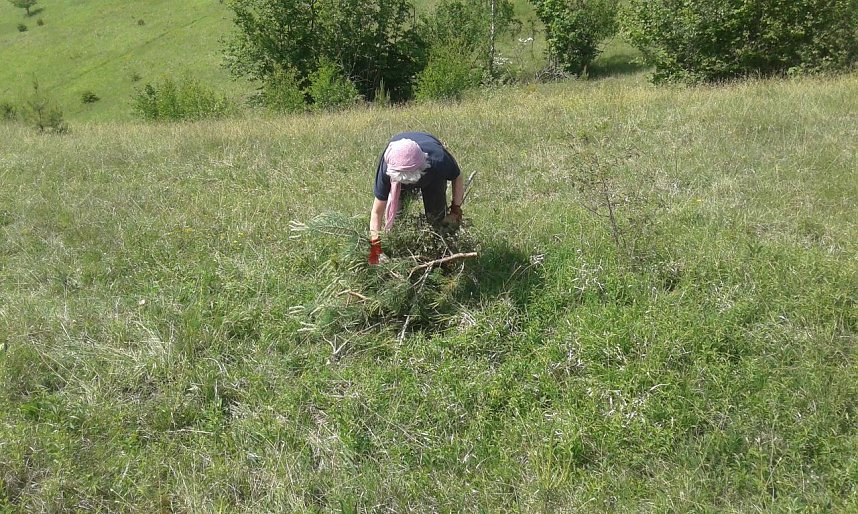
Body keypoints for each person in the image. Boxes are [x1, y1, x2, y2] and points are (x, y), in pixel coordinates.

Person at [368, 132, 464, 264]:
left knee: (437, 217)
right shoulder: (387, 168)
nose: (410, 185)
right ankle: (397, 255)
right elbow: (377, 212)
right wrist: (375, 247)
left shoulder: (439, 160)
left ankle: (442, 255)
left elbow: (457, 177)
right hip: (397, 180)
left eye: (411, 181)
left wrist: (455, 210)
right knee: (396, 222)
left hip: (432, 177)